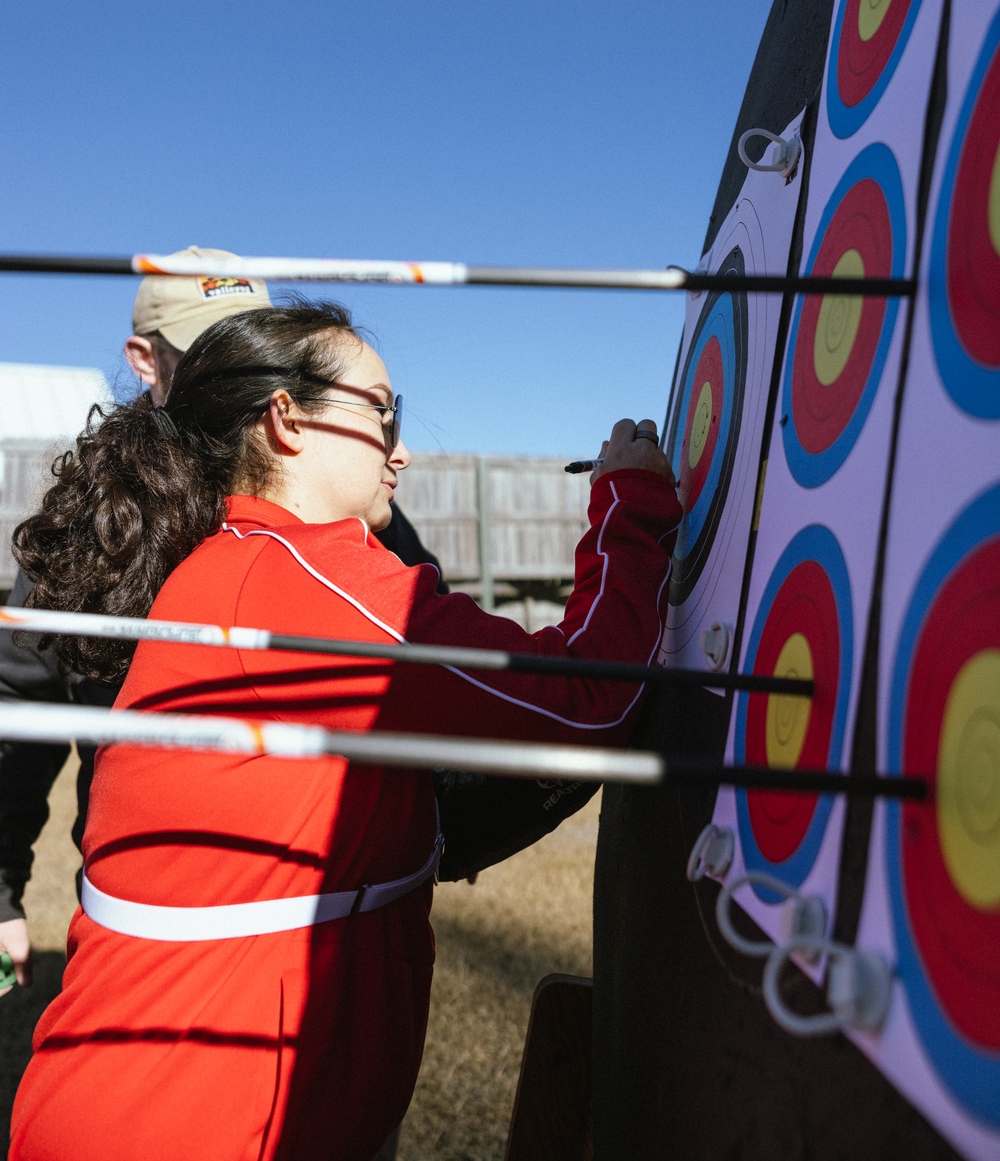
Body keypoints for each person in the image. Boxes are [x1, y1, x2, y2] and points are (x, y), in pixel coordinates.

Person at [8, 302, 680, 1161]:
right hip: (193, 1120)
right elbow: (592, 696)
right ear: (286, 422)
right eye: (379, 410)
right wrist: (630, 501)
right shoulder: (308, 577)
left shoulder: (242, 563)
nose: (399, 446)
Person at [0, 248, 443, 1000]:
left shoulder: (350, 502)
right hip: (152, 913)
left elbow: (430, 662)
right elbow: (18, 708)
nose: (232, 367)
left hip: (321, 918)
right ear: (144, 359)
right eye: (205, 345)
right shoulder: (91, 519)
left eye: (247, 340)